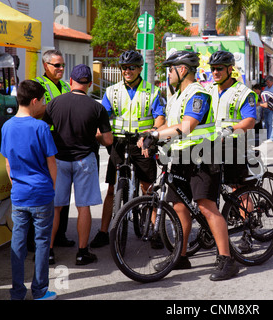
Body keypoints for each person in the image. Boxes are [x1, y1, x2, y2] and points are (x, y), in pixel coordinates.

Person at [142, 50, 239, 281]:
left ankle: (227, 260)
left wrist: (155, 134)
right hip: (181, 157)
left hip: (203, 156)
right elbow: (170, 126)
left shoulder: (198, 94)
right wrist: (152, 134)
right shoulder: (177, 95)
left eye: (170, 69)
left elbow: (187, 126)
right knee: (179, 207)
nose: (168, 73)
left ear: (182, 69)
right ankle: (180, 256)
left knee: (206, 207)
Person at [89, 50, 165, 248]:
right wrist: (100, 133)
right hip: (119, 142)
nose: (127, 71)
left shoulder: (152, 91)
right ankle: (104, 231)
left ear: (140, 68)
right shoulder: (111, 91)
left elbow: (159, 116)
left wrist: (153, 132)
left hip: (142, 143)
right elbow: (103, 116)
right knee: (112, 189)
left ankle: (154, 229)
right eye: (124, 68)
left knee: (147, 188)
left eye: (131, 67)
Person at [42, 64, 113, 265]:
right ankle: (82, 252)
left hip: (59, 160)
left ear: (70, 81)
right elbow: (108, 140)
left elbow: (44, 131)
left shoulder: (55, 103)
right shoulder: (97, 108)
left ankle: (48, 252)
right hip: (85, 160)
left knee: (55, 207)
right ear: (89, 84)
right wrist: (96, 136)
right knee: (83, 207)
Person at [1, 80, 58, 300]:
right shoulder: (41, 127)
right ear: (34, 101)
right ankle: (40, 291)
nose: (43, 105)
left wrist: (17, 185)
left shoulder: (7, 126)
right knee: (42, 242)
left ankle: (17, 292)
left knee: (18, 243)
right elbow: (51, 162)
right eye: (42, 101)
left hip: (19, 195)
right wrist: (51, 186)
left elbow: (8, 163)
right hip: (41, 193)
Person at [32, 49, 74, 252]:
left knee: (62, 190)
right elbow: (34, 111)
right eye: (57, 65)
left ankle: (60, 235)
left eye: (63, 65)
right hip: (44, 141)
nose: (61, 69)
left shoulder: (66, 85)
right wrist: (57, 105)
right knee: (45, 192)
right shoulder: (37, 85)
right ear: (45, 65)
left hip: (64, 142)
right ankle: (38, 239)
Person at [206, 50, 257, 183]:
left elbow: (250, 121)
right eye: (212, 69)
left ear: (230, 69)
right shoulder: (208, 90)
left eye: (219, 68)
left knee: (239, 189)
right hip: (212, 142)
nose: (215, 72)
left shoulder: (244, 92)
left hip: (235, 142)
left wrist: (229, 130)